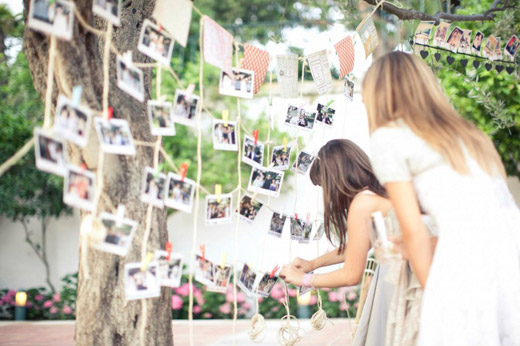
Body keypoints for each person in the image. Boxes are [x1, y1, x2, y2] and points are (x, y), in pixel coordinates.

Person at [363, 51, 520, 346]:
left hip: (467, 258)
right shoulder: (469, 134)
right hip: (511, 250)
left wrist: (436, 304)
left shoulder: (388, 137)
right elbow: (486, 212)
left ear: (378, 96)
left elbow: (413, 231)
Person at [280, 139, 395, 346]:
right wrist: (313, 263)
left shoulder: (362, 204)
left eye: (324, 186)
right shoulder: (380, 192)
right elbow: (359, 245)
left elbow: (351, 275)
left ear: (335, 179)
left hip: (398, 283)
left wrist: (305, 279)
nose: (326, 194)